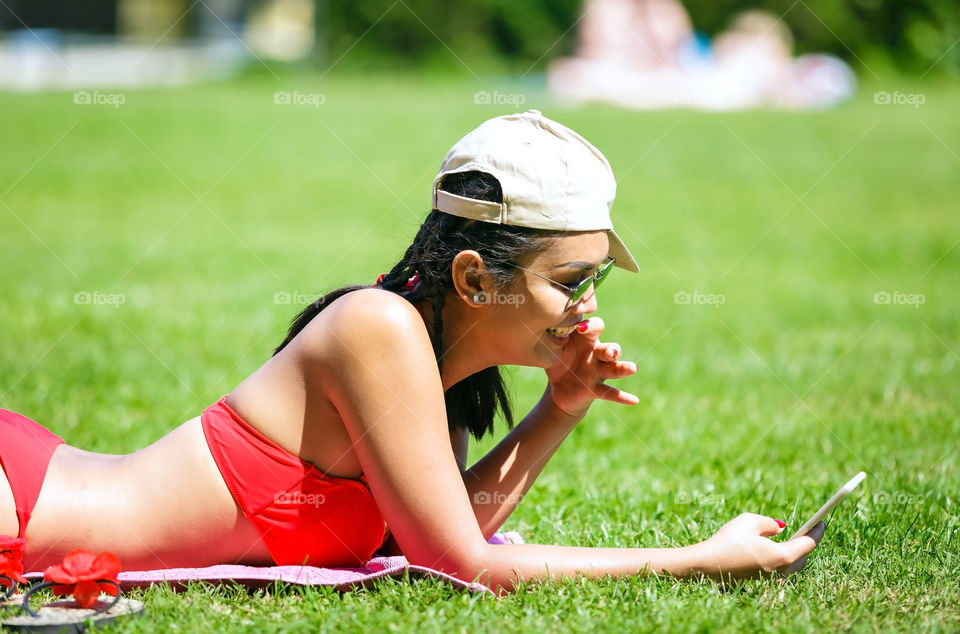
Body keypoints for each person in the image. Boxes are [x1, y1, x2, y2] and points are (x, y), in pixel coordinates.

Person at [0, 110, 823, 596]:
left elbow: (437, 530)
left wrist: (559, 409)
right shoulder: (380, 329)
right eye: (571, 280)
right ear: (474, 275)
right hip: (25, 508)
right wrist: (698, 561)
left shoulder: (434, 362)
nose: (588, 305)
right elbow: (459, 563)